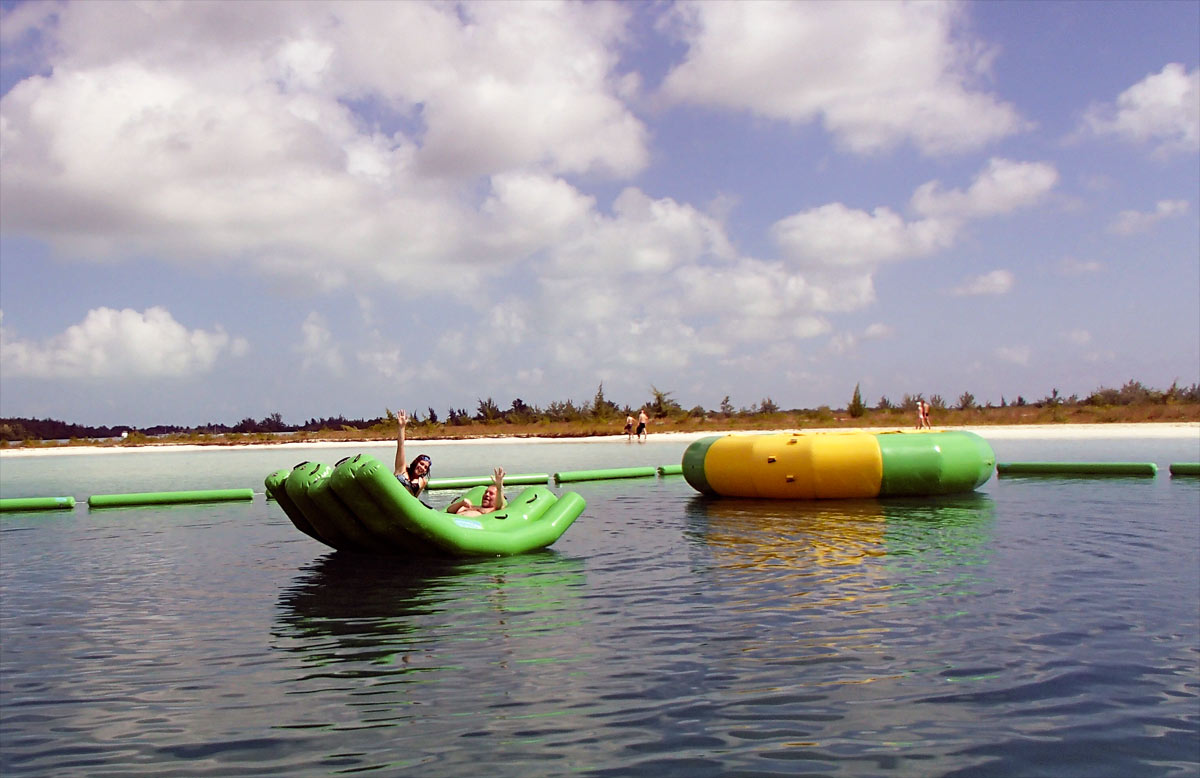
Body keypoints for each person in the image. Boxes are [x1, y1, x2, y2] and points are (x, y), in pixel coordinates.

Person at [393, 409, 431, 498]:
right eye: (421, 464)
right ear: (416, 462)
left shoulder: (422, 482)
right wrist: (402, 427)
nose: (422, 468)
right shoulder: (402, 469)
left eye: (425, 467)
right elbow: (400, 446)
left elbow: (414, 499)